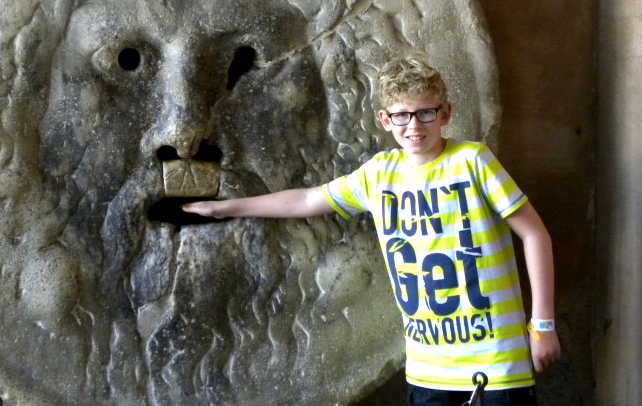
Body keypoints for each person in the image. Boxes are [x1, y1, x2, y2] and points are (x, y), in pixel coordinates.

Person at [184, 53, 562, 406]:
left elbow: (534, 234)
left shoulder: (473, 161)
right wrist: (227, 207)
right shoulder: (379, 174)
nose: (414, 126)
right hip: (428, 372)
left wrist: (542, 325)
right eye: (402, 115)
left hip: (495, 370)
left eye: (425, 113)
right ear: (385, 120)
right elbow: (306, 201)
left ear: (446, 114)